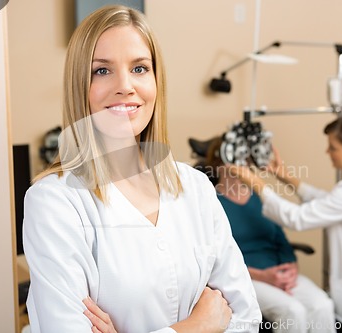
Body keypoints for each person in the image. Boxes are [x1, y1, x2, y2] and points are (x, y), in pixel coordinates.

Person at [22, 5, 261, 333]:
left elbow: (246, 319)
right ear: (79, 86)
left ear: (156, 81)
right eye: (102, 71)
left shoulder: (196, 187)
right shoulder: (53, 202)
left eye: (139, 68)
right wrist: (198, 326)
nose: (125, 86)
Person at [229, 113, 342, 332]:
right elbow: (329, 203)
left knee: (313, 307)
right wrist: (285, 176)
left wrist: (257, 183)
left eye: (333, 148)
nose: (328, 152)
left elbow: (296, 218)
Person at [204, 137, 336, 333]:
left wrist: (291, 267)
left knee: (323, 305)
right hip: (249, 277)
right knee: (293, 312)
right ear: (219, 164)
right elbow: (216, 261)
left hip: (279, 274)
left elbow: (280, 238)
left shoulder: (261, 199)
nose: (242, 166)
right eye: (235, 160)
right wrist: (263, 276)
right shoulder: (212, 203)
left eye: (245, 160)